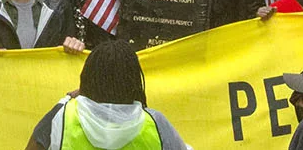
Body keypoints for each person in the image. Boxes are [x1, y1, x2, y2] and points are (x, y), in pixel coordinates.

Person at [24, 41, 191, 150]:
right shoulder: (155, 123)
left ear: (87, 77)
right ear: (133, 81)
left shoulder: (62, 115)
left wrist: (68, 99)